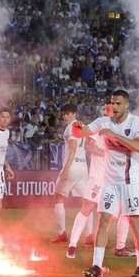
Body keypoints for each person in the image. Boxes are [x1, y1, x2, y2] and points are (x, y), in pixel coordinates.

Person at [71, 89, 139, 277]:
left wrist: (114, 135)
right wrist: (76, 126)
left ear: (126, 105)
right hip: (110, 182)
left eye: (118, 103)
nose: (114, 106)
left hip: (131, 182)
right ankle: (96, 265)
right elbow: (79, 132)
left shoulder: (137, 122)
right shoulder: (102, 122)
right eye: (112, 103)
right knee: (103, 221)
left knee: (135, 223)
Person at [65, 104, 110, 258]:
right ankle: (72, 244)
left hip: (114, 180)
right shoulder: (98, 125)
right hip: (98, 177)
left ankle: (119, 247)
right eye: (107, 108)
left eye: (113, 107)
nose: (109, 110)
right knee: (87, 207)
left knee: (114, 215)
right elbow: (89, 147)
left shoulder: (123, 128)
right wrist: (107, 154)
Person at [51, 104, 93, 244]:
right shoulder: (82, 126)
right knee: (86, 202)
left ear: (74, 114)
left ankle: (62, 233)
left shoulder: (71, 128)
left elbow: (73, 149)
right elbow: (89, 144)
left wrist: (66, 169)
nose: (65, 116)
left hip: (73, 167)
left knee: (58, 198)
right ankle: (89, 235)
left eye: (68, 113)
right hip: (83, 168)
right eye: (63, 114)